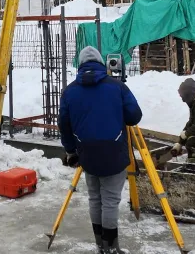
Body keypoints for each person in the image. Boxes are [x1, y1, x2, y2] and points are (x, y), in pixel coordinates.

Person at [59, 47, 142, 254]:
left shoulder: (69, 91)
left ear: (80, 65)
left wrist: (71, 150)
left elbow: (64, 124)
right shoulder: (116, 86)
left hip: (86, 153)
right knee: (111, 200)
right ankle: (111, 247)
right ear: (101, 63)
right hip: (114, 151)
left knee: (95, 198)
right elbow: (134, 116)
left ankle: (99, 245)